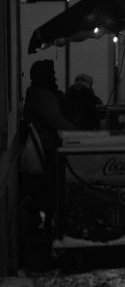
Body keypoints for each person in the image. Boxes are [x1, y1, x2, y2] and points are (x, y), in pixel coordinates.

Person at [23, 60, 80, 237]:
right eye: (52, 74)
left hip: (46, 148)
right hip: (50, 150)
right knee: (64, 185)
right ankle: (61, 225)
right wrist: (80, 134)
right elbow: (57, 121)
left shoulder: (36, 92)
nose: (55, 77)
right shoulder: (43, 95)